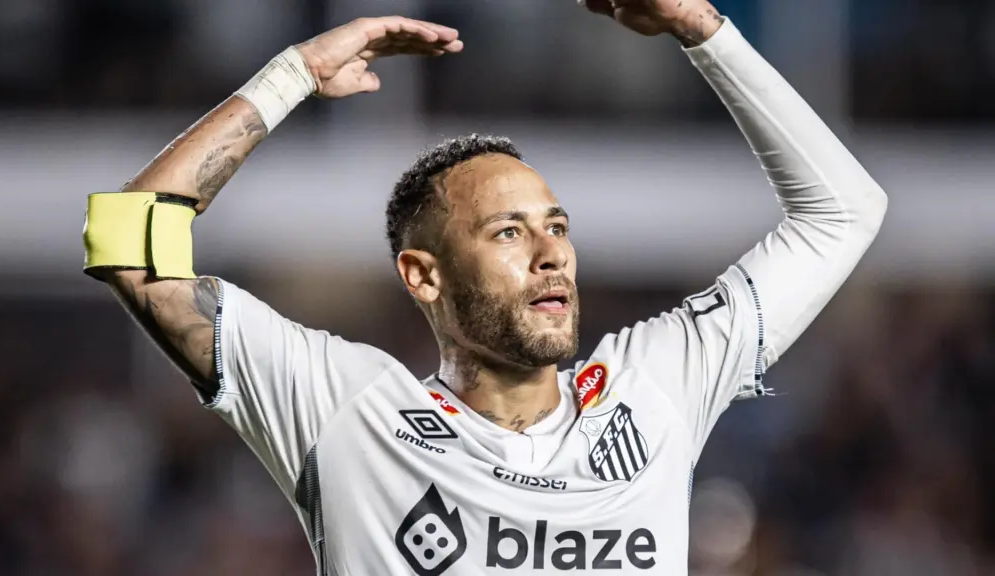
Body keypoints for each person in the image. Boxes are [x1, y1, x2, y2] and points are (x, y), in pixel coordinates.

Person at [82, 0, 887, 573]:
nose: (551, 254)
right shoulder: (349, 414)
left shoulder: (654, 389)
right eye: (508, 232)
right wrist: (294, 74)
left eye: (558, 227)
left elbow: (845, 211)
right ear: (423, 275)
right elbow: (127, 242)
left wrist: (702, 28)